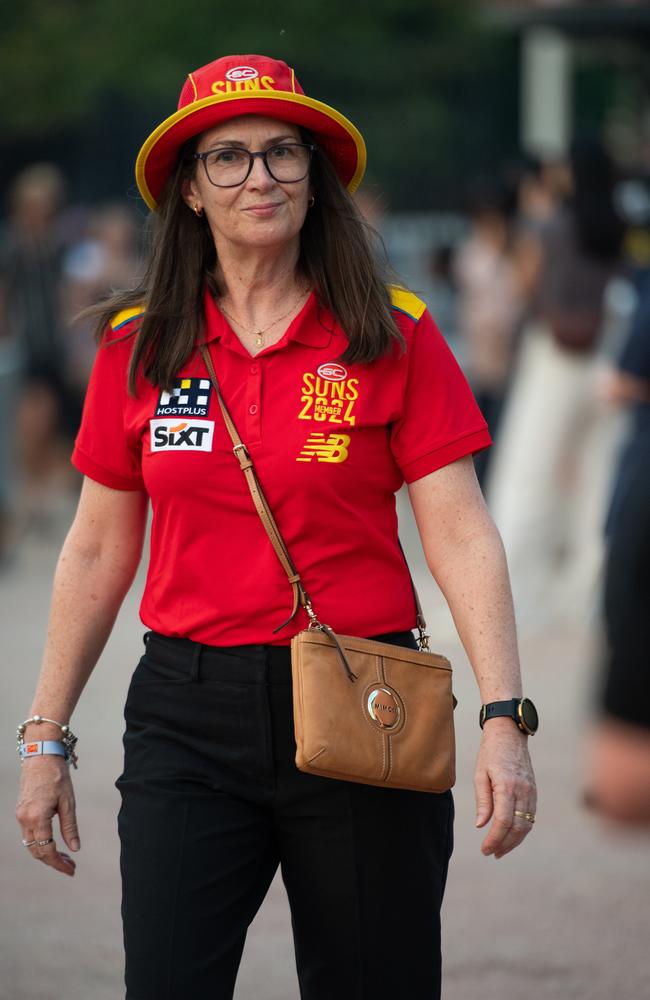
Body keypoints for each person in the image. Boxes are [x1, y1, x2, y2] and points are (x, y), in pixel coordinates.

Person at [15, 55, 537, 1000]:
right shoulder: (136, 347)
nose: (260, 176)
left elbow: (460, 531)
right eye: (228, 158)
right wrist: (45, 739)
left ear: (314, 175)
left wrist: (504, 716)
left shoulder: (393, 330)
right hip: (186, 713)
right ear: (188, 192)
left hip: (364, 698)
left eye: (282, 153)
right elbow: (95, 548)